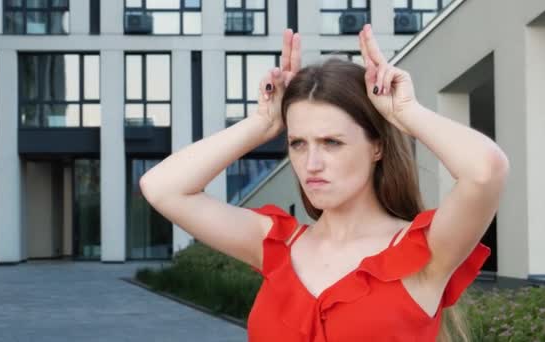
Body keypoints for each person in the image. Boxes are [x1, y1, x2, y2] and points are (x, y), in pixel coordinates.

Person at [139, 24, 509, 341]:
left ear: (376, 147)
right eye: (298, 144)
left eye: (332, 142)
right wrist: (263, 124)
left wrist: (406, 114)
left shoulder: (424, 252)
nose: (311, 164)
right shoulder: (277, 244)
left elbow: (485, 170)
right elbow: (162, 187)